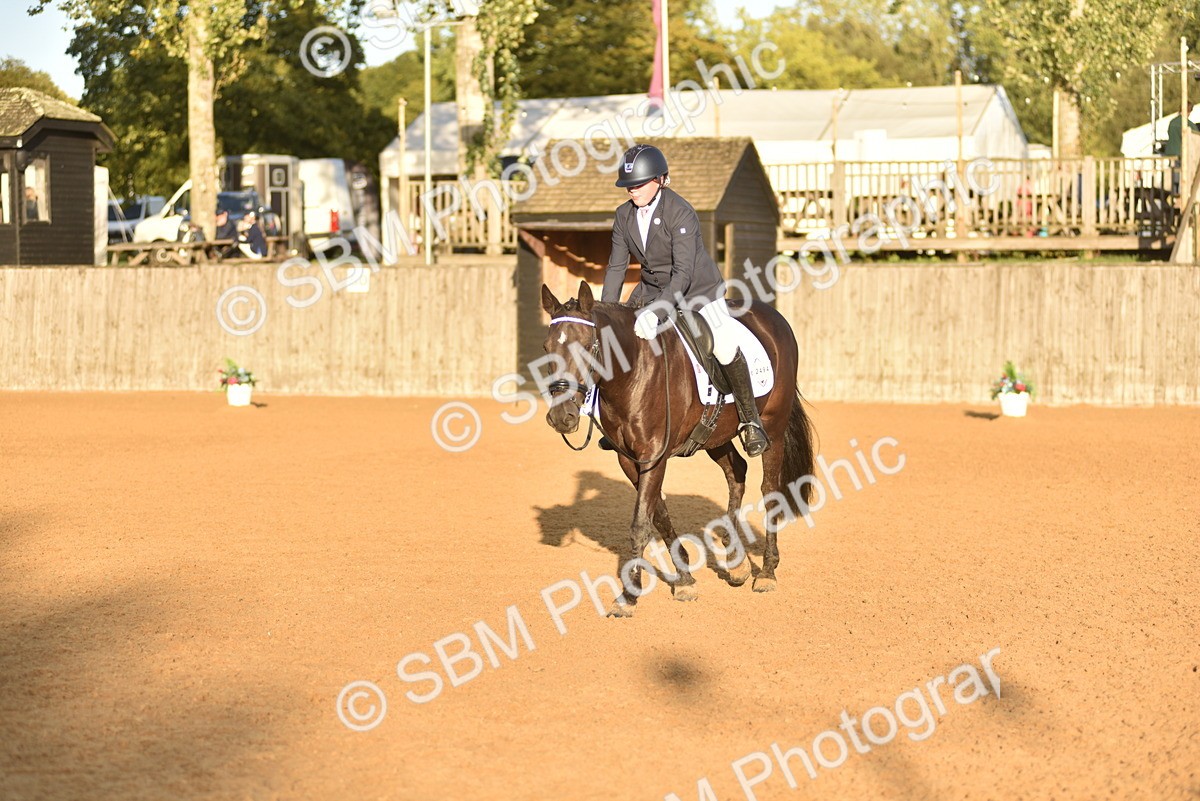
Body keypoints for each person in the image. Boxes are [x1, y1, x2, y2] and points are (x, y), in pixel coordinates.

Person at [600, 143, 770, 456]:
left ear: (660, 180)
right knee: (614, 340)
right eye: (627, 186)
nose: (631, 191)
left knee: (722, 342)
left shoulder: (680, 211)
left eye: (637, 184)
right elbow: (616, 267)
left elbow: (682, 274)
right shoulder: (623, 215)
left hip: (697, 290)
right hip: (650, 289)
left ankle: (750, 420)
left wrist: (659, 312)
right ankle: (615, 419)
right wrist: (607, 314)